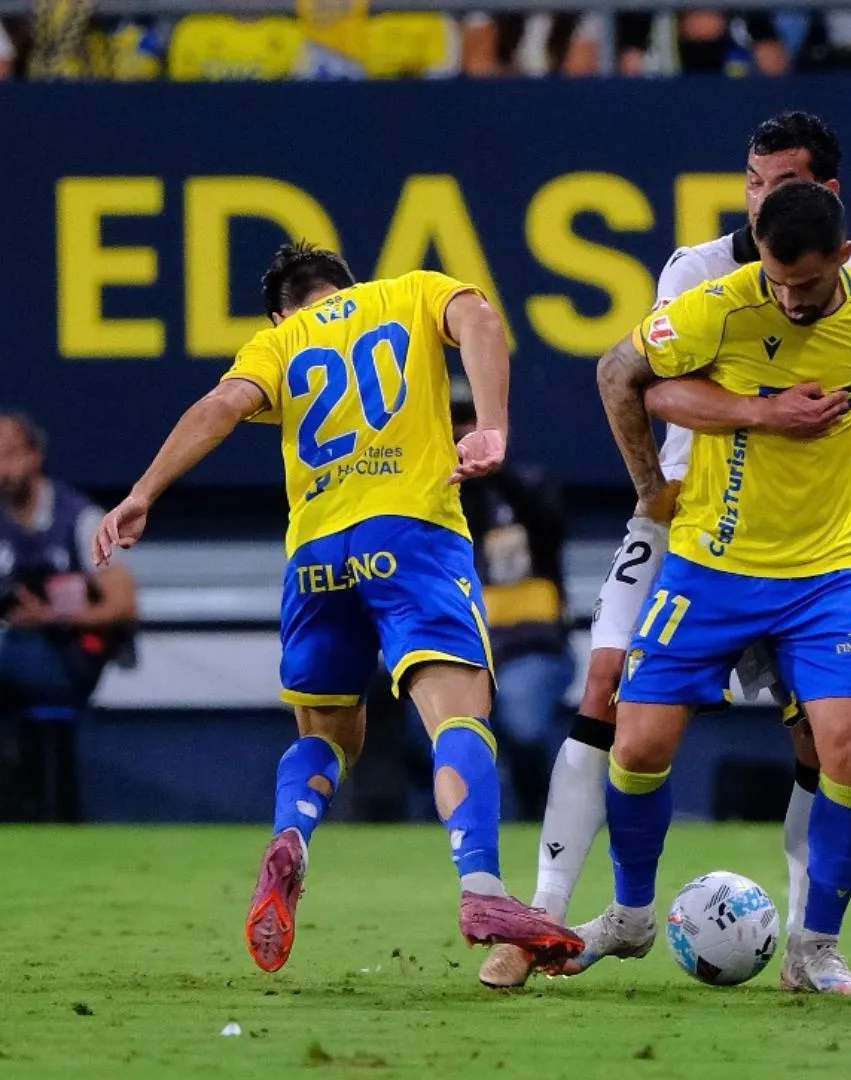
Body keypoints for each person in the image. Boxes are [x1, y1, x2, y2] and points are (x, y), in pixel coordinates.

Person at [92, 243, 582, 975]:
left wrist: (142, 493)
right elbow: (480, 317)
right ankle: (482, 889)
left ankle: (290, 836)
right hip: (411, 534)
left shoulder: (279, 342)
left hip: (316, 554)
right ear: (345, 285)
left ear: (280, 310)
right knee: (458, 716)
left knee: (328, 737)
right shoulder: (408, 293)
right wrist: (491, 425)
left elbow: (221, 406)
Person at [481, 110, 851, 989]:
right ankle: (546, 916)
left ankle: (811, 943)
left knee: (825, 740)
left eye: (782, 184)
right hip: (681, 522)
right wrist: (655, 483)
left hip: (797, 543)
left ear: (825, 193)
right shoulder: (699, 271)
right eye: (753, 181)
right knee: (606, 686)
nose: (761, 199)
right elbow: (646, 383)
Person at [572, 180, 851, 995]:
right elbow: (625, 376)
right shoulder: (719, 306)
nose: (791, 300)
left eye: (807, 284)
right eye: (778, 283)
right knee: (636, 747)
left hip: (822, 574)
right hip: (709, 565)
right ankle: (630, 916)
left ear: (844, 257)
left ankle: (814, 950)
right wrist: (741, 425)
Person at [0, 412, 138, 822]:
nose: (3, 470)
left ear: (34, 456)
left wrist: (51, 616)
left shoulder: (79, 518)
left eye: (9, 455)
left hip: (66, 656)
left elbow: (123, 603)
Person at [450, 379, 575, 820]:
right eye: (454, 421)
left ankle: (538, 816)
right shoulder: (433, 497)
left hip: (529, 643)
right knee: (426, 731)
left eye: (472, 420)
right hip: (461, 647)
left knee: (522, 724)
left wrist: (491, 467)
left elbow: (549, 525)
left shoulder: (528, 485)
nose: (463, 431)